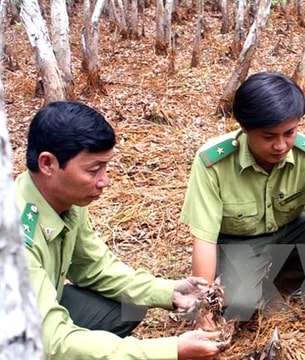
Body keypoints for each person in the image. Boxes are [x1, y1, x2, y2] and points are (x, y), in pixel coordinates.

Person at [180, 71, 305, 360]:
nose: (281, 146)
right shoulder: (213, 163)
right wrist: (203, 312)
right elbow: (204, 239)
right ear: (244, 129)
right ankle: (245, 281)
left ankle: (284, 281)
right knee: (242, 305)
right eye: (269, 136)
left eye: (289, 133)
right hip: (238, 240)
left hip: (290, 230)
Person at [16, 101, 229, 359]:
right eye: (93, 170)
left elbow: (95, 267)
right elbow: (53, 341)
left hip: (35, 308)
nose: (105, 181)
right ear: (48, 164)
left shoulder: (66, 201)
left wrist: (170, 292)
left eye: (105, 167)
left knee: (129, 304)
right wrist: (171, 350)